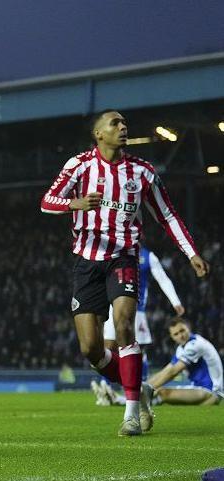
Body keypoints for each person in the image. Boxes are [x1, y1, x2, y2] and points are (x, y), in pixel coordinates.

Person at [40, 110, 210, 436]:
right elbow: (47, 201)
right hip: (86, 262)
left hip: (124, 259)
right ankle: (140, 388)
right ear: (98, 135)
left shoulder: (142, 172)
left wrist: (191, 253)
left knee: (123, 326)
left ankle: (131, 414)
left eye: (124, 123)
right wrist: (73, 205)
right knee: (91, 349)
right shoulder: (79, 166)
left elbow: (167, 215)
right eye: (114, 124)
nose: (122, 127)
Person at [92, 246, 184, 405]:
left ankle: (142, 388)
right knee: (107, 348)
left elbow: (162, 278)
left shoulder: (148, 256)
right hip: (112, 308)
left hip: (137, 311)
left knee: (137, 350)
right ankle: (106, 388)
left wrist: (175, 301)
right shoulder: (112, 252)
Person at [144, 318, 222, 406]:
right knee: (155, 392)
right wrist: (144, 386)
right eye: (176, 334)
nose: (180, 336)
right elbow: (166, 371)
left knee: (162, 393)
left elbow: (173, 372)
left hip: (211, 391)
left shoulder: (195, 344)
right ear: (172, 337)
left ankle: (137, 404)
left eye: (182, 331)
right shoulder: (181, 349)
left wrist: (145, 390)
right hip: (198, 388)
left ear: (189, 328)